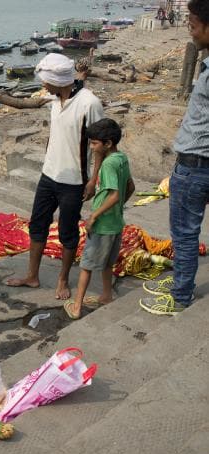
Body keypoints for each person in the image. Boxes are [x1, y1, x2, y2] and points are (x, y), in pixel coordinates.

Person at [6, 53, 104, 299]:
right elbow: (77, 80)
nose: (42, 85)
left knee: (67, 232)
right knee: (37, 224)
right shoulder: (55, 97)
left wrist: (94, 179)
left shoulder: (89, 104)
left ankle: (62, 279)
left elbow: (100, 143)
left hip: (73, 180)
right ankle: (32, 275)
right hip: (48, 175)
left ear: (59, 80)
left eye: (45, 81)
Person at [140, 0, 209, 316]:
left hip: (195, 166)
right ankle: (182, 283)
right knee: (185, 232)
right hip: (198, 165)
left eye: (193, 24)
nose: (189, 28)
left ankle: (181, 296)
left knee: (183, 234)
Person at [64, 119, 134, 320]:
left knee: (86, 265)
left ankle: (76, 306)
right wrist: (118, 208)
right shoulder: (122, 158)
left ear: (108, 144)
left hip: (102, 225)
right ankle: (106, 295)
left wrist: (94, 215)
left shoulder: (109, 165)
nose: (93, 148)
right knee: (107, 264)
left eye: (95, 144)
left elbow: (114, 194)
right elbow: (130, 188)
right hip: (116, 223)